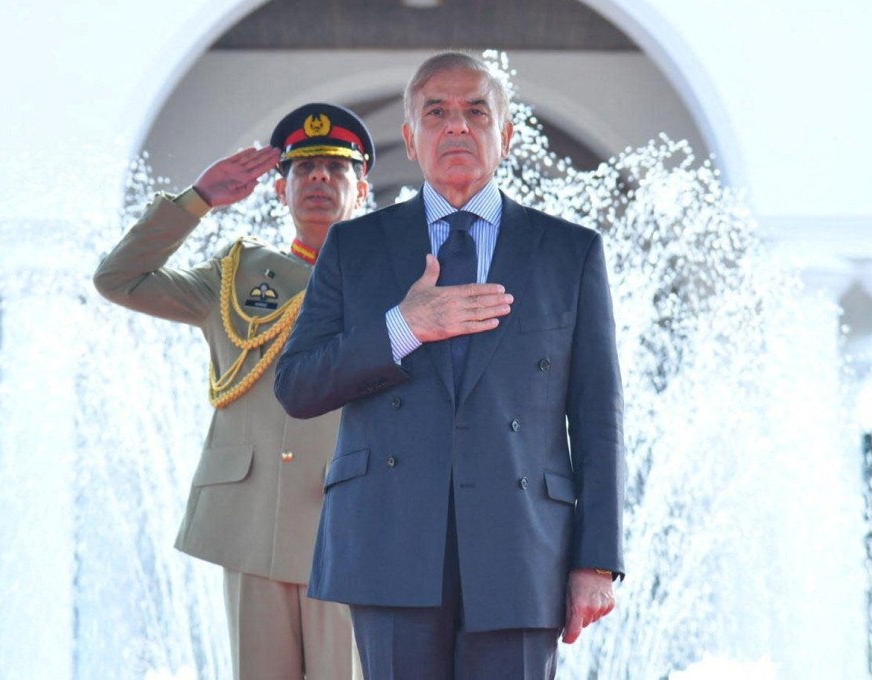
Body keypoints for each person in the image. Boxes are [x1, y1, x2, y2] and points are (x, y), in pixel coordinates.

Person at [274, 53, 625, 680]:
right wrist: (403, 327)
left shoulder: (569, 251)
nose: (456, 126)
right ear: (411, 138)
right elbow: (297, 385)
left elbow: (599, 418)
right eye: (436, 112)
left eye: (475, 112)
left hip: (523, 546)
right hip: (388, 540)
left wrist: (596, 562)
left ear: (506, 135)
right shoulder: (354, 247)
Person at [93, 102, 373, 680]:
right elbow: (119, 279)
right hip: (253, 524)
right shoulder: (237, 274)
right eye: (303, 168)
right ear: (279, 189)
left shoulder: (394, 281)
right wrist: (198, 199)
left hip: (349, 526)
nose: (318, 178)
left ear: (362, 188)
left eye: (335, 168)